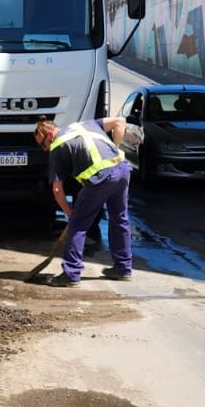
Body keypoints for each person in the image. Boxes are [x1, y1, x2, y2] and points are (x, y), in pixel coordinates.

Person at [34, 116, 134, 287]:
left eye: (43, 144)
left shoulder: (58, 146)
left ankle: (71, 274)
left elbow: (57, 190)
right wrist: (115, 148)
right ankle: (123, 269)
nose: (44, 148)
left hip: (101, 178)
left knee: (78, 225)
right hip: (122, 169)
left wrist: (69, 214)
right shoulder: (84, 125)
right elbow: (120, 121)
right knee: (120, 219)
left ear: (50, 134)